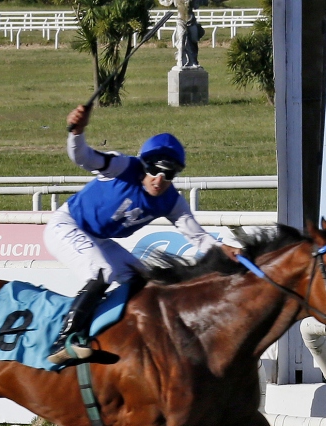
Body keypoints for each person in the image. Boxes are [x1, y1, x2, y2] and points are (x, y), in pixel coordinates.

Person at [43, 104, 238, 364]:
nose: (159, 180)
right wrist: (77, 132)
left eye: (168, 174)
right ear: (143, 165)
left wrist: (226, 250)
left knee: (145, 282)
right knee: (102, 271)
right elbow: (83, 158)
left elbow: (199, 238)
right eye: (153, 170)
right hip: (67, 226)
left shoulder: (172, 201)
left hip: (97, 238)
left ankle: (116, 336)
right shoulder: (121, 166)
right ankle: (64, 341)